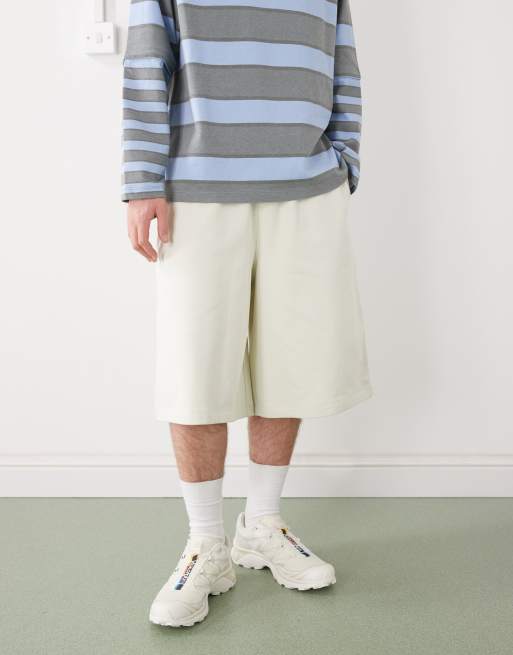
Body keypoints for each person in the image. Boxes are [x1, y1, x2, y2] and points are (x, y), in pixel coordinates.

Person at [122, 0, 371, 628]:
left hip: (307, 191)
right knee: (196, 371)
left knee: (291, 364)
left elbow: (342, 63)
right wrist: (143, 183)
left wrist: (344, 164)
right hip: (196, 190)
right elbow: (147, 63)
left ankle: (261, 524)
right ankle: (205, 543)